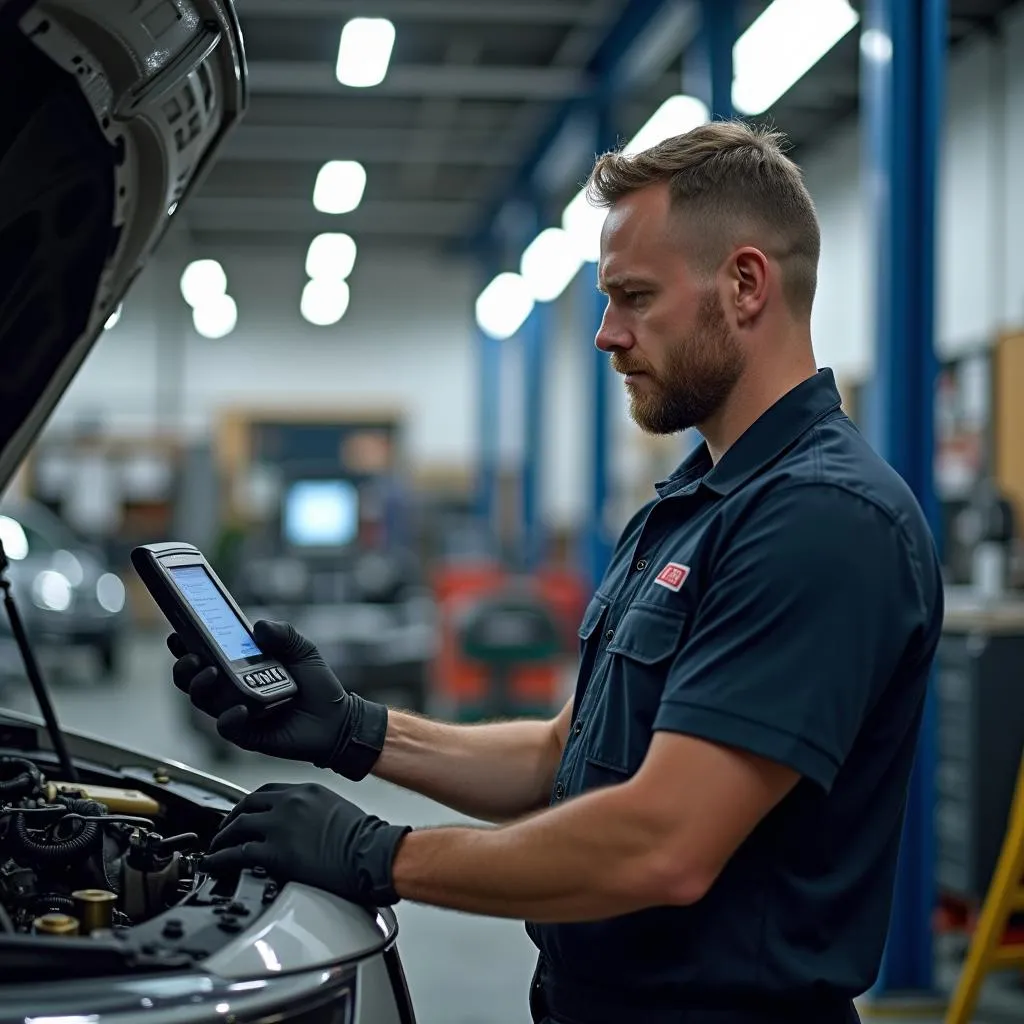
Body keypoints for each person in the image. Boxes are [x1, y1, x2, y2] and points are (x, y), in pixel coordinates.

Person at [171, 121, 944, 1024]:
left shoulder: (822, 520)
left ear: (744, 284)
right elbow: (561, 757)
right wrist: (354, 729)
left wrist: (378, 854)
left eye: (634, 296)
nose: (606, 334)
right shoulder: (695, 502)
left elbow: (663, 843)